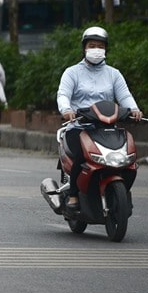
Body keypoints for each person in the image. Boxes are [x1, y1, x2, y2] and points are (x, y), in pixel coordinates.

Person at [56, 26, 142, 213]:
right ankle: (72, 194)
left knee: (129, 157)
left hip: (107, 127)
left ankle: (122, 193)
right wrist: (67, 110)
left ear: (106, 49)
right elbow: (63, 94)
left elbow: (125, 96)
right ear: (84, 48)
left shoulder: (114, 74)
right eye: (92, 45)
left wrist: (134, 110)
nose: (96, 49)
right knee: (81, 156)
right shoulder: (72, 72)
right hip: (80, 127)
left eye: (100, 46)